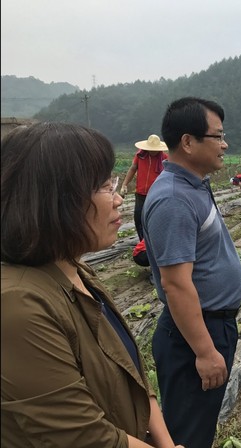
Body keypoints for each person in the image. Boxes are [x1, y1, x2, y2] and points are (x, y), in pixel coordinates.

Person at [1, 122, 181, 448]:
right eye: (102, 186)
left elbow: (132, 373)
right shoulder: (17, 305)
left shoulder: (77, 270)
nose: (117, 199)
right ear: (54, 199)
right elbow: (85, 438)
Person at [142, 97, 241, 448]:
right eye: (217, 136)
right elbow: (175, 284)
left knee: (197, 427)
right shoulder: (174, 199)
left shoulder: (193, 186)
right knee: (188, 434)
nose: (224, 144)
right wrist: (204, 351)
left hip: (211, 325)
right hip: (195, 334)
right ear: (188, 142)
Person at [120, 134, 168, 241]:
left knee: (154, 218)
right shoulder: (140, 155)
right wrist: (124, 184)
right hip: (141, 193)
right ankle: (143, 242)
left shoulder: (164, 158)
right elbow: (133, 169)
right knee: (138, 218)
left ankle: (154, 240)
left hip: (156, 194)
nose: (153, 151)